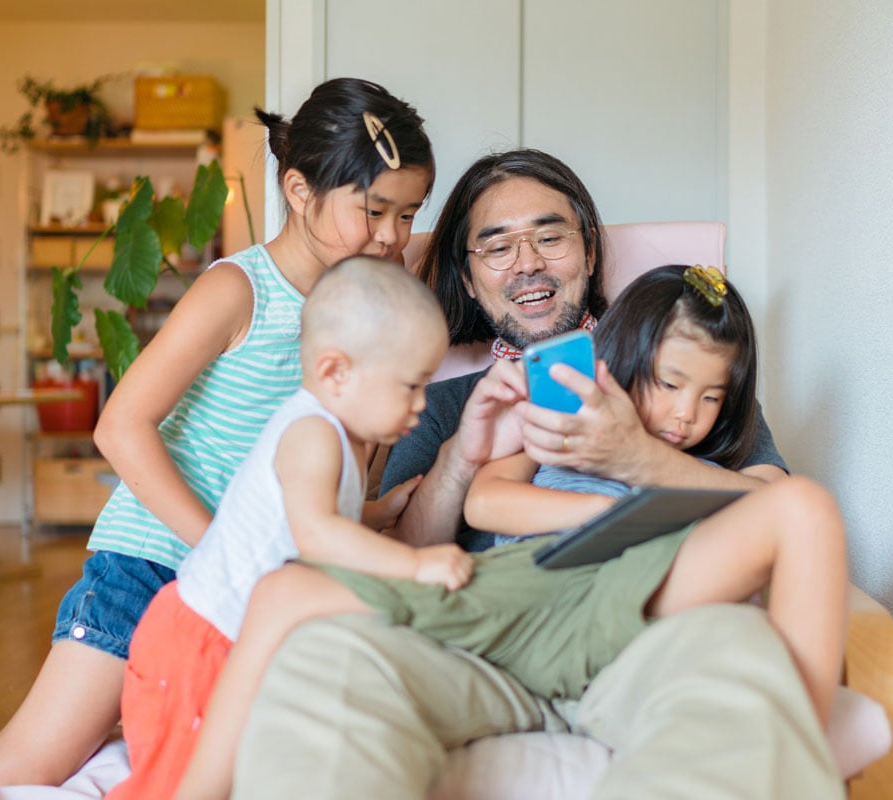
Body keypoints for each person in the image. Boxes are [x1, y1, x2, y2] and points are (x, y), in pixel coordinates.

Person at [232, 149, 845, 799]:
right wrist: (463, 456)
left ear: (587, 252)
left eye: (549, 237)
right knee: (327, 661)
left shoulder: (682, 374)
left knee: (742, 668)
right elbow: (406, 554)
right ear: (469, 279)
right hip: (476, 640)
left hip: (653, 631)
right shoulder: (425, 400)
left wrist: (641, 460)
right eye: (497, 247)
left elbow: (777, 505)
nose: (526, 261)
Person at [0, 77, 435, 798]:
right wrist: (217, 546)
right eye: (374, 210)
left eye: (407, 213)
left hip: (227, 593)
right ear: (298, 190)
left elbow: (274, 480)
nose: (393, 235)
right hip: (151, 567)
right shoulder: (241, 291)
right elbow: (120, 427)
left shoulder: (359, 307)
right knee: (23, 766)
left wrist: (370, 514)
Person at [106, 256, 467, 800]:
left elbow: (301, 513)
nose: (420, 406)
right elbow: (316, 533)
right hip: (200, 640)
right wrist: (415, 564)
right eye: (410, 387)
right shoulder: (312, 434)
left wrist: (379, 510)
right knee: (179, 781)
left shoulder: (337, 435)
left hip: (240, 636)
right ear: (334, 372)